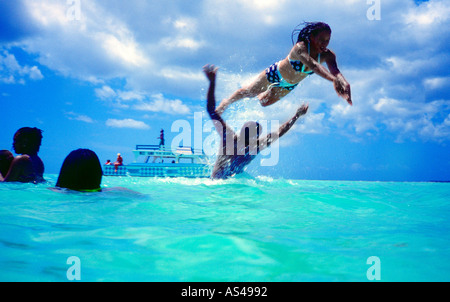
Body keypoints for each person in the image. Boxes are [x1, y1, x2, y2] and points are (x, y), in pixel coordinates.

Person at [216, 22, 352, 115]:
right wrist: (333, 80)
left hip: (289, 85)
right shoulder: (301, 47)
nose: (325, 43)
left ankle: (264, 90)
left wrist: (344, 82)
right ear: (311, 37)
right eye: (321, 39)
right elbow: (313, 65)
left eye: (327, 40)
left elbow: (336, 72)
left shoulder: (328, 55)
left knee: (264, 102)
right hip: (275, 74)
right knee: (249, 93)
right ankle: (226, 102)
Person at [204, 64, 309, 179]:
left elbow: (211, 111)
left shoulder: (230, 138)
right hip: (235, 185)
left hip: (217, 182)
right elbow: (280, 132)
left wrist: (212, 83)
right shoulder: (255, 146)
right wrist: (296, 116)